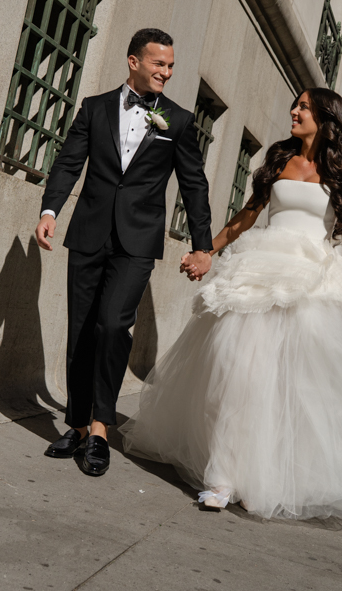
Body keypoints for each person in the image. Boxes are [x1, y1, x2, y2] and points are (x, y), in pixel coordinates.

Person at [121, 88, 342, 519]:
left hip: (310, 283)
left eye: (304, 107)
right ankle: (223, 477)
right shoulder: (279, 158)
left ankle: (261, 479)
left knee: (291, 387)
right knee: (238, 373)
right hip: (260, 272)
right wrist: (207, 251)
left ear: (327, 119)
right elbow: (248, 214)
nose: (294, 110)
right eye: (295, 104)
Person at [35, 28, 213, 478]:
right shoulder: (94, 108)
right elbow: (70, 161)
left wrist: (203, 245)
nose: (166, 73)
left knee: (112, 325)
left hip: (137, 242)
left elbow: (194, 185)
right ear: (133, 61)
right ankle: (77, 424)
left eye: (171, 65)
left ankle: (101, 428)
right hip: (89, 234)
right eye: (159, 64)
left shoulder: (179, 120)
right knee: (81, 330)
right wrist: (51, 209)